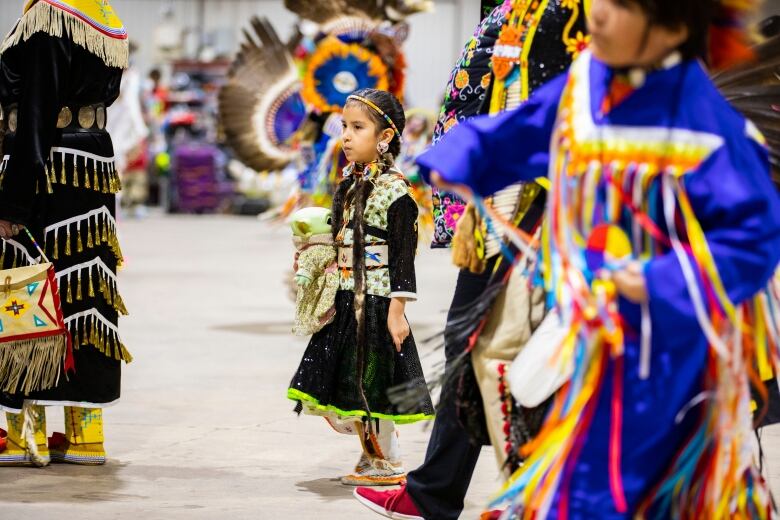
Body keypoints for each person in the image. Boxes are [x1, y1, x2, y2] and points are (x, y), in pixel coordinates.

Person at [415, 0, 780, 517]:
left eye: (622, 4)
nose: (598, 15)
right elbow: (514, 132)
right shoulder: (583, 88)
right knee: (581, 482)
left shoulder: (707, 127)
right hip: (587, 342)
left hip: (674, 356)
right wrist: (450, 161)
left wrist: (660, 280)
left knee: (650, 490)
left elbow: (752, 238)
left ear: (675, 25)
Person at [353, 1, 587, 518]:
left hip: (556, 205)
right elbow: (524, 103)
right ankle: (439, 490)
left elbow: (560, 103)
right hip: (511, 197)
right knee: (481, 345)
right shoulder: (526, 9)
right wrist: (466, 158)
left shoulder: (573, 14)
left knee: (519, 348)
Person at [0, 0, 131, 466]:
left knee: (25, 289)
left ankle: (20, 436)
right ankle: (85, 434)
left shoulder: (47, 20)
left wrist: (11, 203)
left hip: (46, 173)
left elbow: (36, 113)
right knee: (82, 294)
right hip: (89, 171)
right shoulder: (102, 16)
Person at [287, 88, 433, 487]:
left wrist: (397, 311)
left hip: (377, 303)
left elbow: (404, 258)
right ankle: (372, 457)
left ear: (385, 137)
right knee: (348, 382)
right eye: (344, 127)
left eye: (357, 128)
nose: (346, 136)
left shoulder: (397, 193)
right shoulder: (348, 185)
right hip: (345, 298)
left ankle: (388, 460)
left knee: (375, 382)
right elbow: (339, 238)